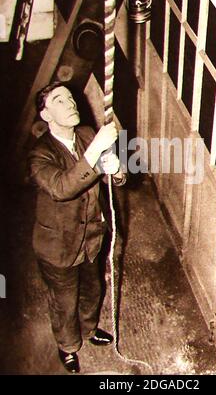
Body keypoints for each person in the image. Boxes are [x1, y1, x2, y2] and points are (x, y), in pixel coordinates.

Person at [28, 81, 125, 373]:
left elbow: (110, 179)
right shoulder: (39, 154)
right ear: (46, 115)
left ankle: (89, 328)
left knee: (93, 290)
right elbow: (62, 187)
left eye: (70, 98)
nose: (70, 103)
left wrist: (117, 171)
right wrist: (97, 151)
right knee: (64, 300)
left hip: (91, 237)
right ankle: (68, 346)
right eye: (59, 101)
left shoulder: (85, 134)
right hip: (57, 245)